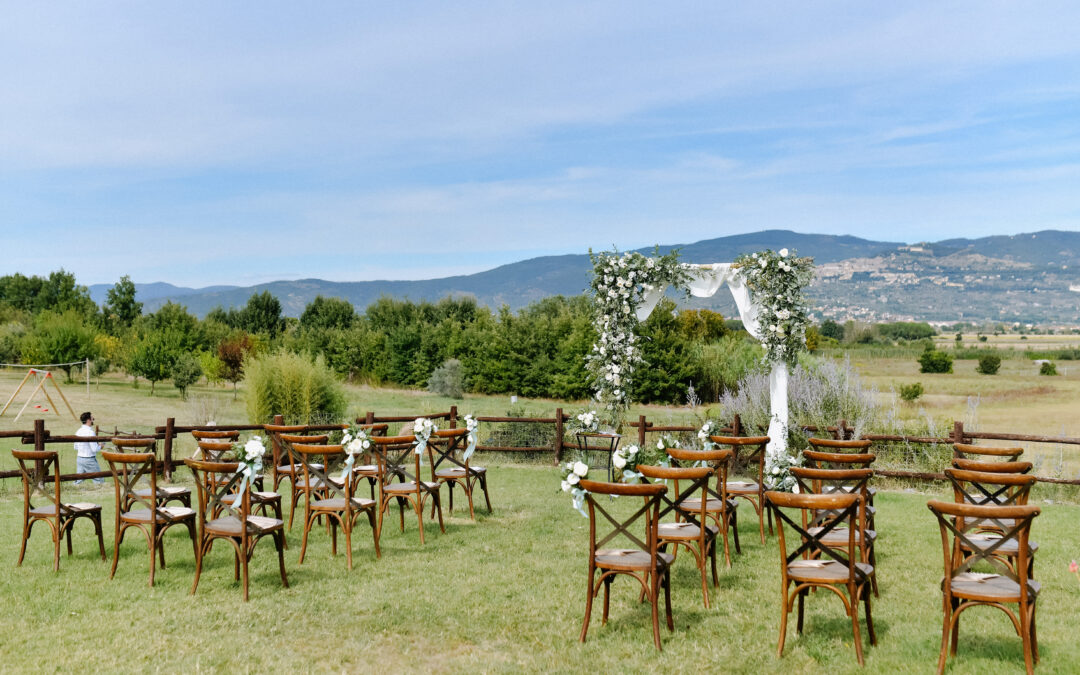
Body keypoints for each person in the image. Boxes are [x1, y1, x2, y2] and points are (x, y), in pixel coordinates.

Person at [73, 411, 104, 486]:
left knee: (78, 480)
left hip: (80, 458)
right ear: (88, 420)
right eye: (92, 418)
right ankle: (99, 493)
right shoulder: (90, 432)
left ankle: (72, 490)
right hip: (89, 459)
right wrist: (101, 446)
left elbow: (75, 447)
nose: (93, 419)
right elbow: (94, 449)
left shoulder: (78, 431)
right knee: (99, 480)